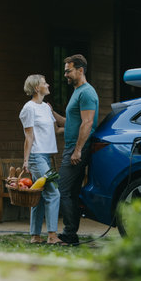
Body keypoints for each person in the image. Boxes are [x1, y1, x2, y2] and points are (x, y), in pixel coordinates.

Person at [51, 54, 99, 245]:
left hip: (77, 148)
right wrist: (51, 112)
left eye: (68, 71)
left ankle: (70, 234)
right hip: (72, 146)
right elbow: (70, 123)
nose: (65, 75)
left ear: (80, 70)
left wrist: (78, 150)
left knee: (63, 189)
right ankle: (71, 234)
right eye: (64, 71)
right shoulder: (78, 92)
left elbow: (87, 124)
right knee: (69, 190)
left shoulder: (86, 92)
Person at [19, 74, 63, 245]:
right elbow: (28, 137)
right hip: (36, 157)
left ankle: (35, 236)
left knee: (40, 195)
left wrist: (80, 127)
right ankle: (52, 235)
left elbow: (56, 130)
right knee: (53, 192)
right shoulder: (28, 108)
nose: (48, 84)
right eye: (45, 83)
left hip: (46, 156)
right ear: (37, 88)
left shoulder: (46, 107)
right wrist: (26, 161)